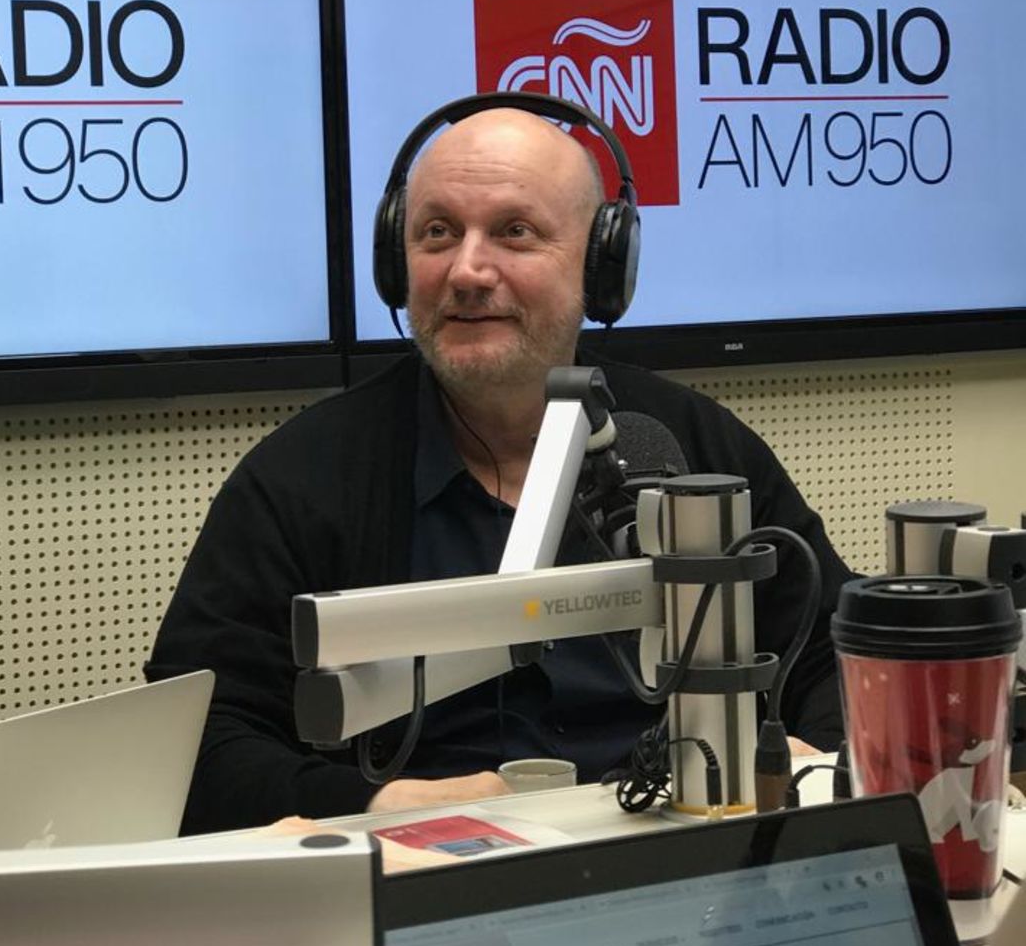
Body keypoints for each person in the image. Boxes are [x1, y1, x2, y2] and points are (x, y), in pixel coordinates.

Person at [146, 106, 852, 833]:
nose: (467, 271)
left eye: (515, 232)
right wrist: (370, 805)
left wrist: (811, 761)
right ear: (397, 263)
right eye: (437, 233)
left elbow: (840, 652)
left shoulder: (691, 446)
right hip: (420, 885)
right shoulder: (300, 480)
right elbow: (197, 743)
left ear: (601, 266)